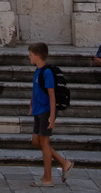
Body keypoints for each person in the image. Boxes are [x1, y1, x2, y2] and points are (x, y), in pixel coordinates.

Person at [28, 41, 72, 184]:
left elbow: (52, 96)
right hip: (38, 110)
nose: (29, 57)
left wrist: (52, 116)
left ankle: (48, 178)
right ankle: (64, 162)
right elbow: (36, 89)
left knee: (44, 143)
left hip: (46, 111)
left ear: (37, 56)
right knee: (36, 141)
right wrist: (31, 104)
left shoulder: (47, 72)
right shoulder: (38, 70)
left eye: (31, 55)